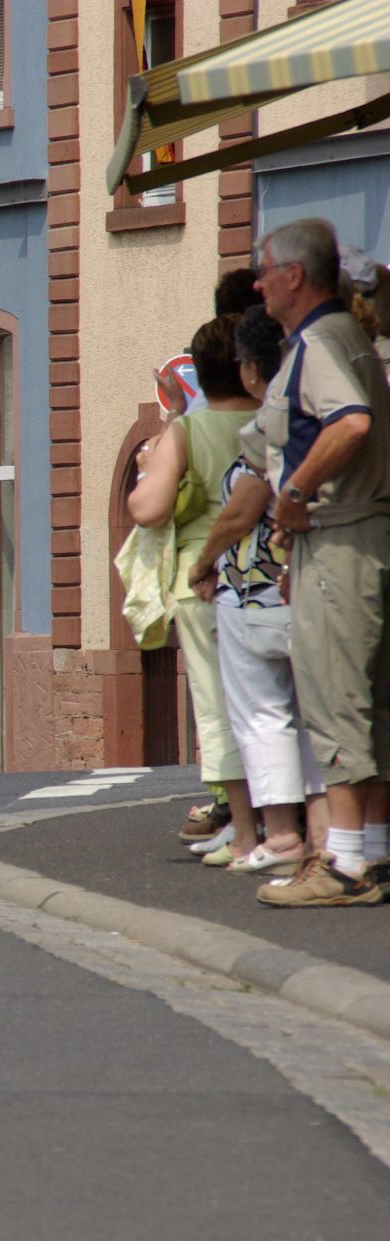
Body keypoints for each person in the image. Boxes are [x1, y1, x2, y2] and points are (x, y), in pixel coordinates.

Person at [253, 218, 390, 906]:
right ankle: (373, 849)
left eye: (264, 269)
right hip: (368, 532)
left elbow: (350, 421)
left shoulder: (317, 344)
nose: (257, 282)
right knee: (373, 699)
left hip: (338, 537)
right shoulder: (353, 337)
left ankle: (342, 864)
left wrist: (296, 491)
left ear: (293, 276)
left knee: (336, 696)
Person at [185, 306, 328, 875]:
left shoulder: (274, 418)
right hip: (308, 587)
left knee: (263, 716)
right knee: (319, 717)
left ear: (250, 370)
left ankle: (284, 834)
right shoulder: (319, 409)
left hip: (255, 592)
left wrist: (204, 559)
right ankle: (326, 835)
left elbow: (243, 507)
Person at [128, 314, 254, 865]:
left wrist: (146, 472)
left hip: (201, 582)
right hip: (268, 577)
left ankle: (241, 825)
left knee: (218, 706)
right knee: (270, 706)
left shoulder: (189, 430)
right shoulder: (269, 419)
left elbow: (149, 509)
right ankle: (288, 824)